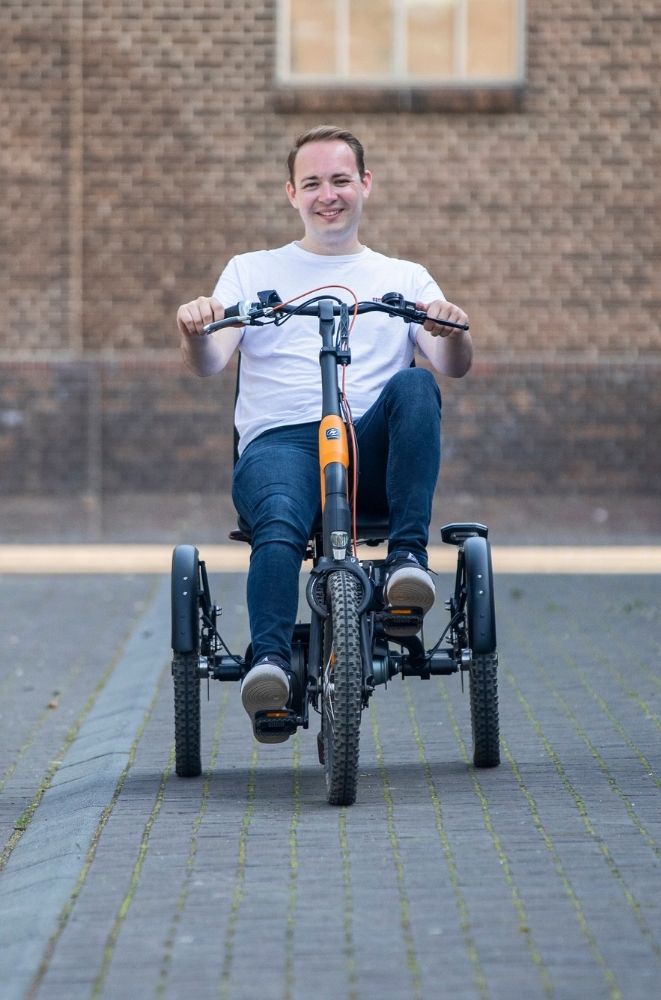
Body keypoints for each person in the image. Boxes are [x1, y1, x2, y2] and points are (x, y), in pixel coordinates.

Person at [176, 126, 472, 742]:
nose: (327, 195)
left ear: (365, 185)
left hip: (368, 455)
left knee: (417, 386)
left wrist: (453, 329)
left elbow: (452, 366)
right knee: (280, 514)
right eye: (312, 183)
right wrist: (197, 328)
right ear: (291, 193)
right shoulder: (251, 270)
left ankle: (406, 567)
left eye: (341, 180)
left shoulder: (406, 277)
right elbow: (209, 363)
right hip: (280, 443)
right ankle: (270, 665)